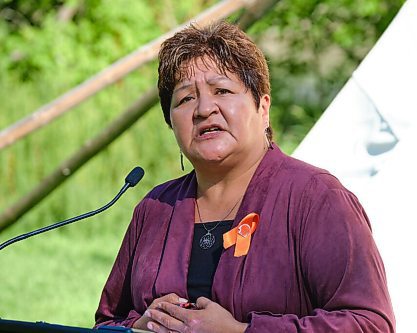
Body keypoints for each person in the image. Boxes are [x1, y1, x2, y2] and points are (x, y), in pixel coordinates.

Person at [94, 21, 395, 333]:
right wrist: (139, 326)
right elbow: (107, 322)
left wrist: (240, 331)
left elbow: (368, 324)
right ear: (171, 123)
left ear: (262, 108)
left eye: (222, 90)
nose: (204, 109)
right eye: (185, 99)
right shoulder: (155, 208)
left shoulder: (316, 198)